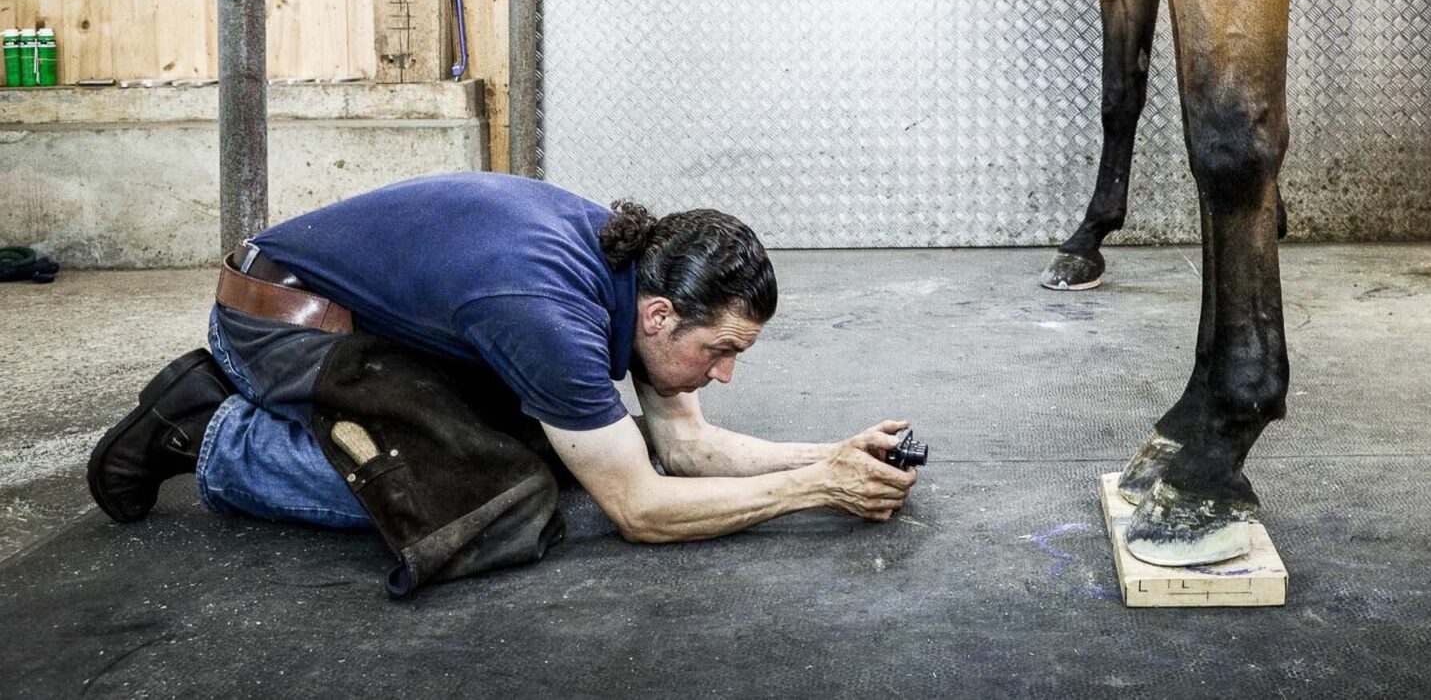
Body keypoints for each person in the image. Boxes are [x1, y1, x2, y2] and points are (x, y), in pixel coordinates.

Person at [88, 173, 916, 593]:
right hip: (279, 327)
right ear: (660, 315)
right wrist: (815, 490)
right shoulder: (551, 312)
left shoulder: (641, 268)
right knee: (488, 499)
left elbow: (683, 445)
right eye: (721, 350)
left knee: (557, 446)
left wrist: (834, 455)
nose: (724, 373)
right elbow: (640, 509)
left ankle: (254, 418)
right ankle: (215, 432)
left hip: (371, 322)